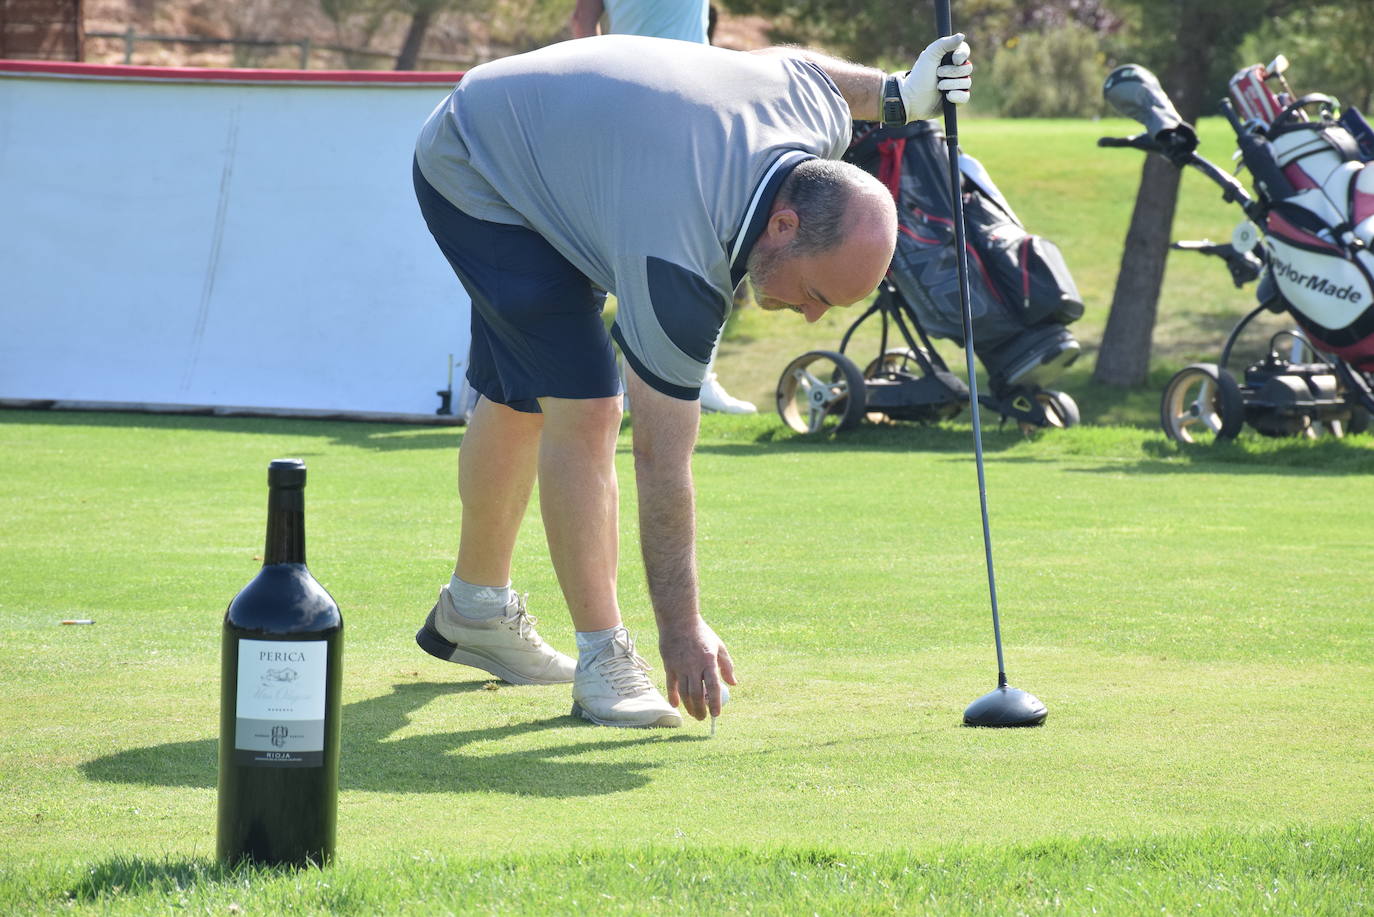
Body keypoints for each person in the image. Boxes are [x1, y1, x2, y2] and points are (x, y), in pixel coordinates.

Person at [412, 33, 972, 728]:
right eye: (816, 293)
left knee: (521, 390)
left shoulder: (814, 123)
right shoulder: (679, 257)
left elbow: (803, 70)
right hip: (476, 163)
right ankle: (605, 660)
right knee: (587, 406)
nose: (809, 315)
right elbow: (660, 460)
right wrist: (682, 628)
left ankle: (475, 608)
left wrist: (896, 96)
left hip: (553, 140)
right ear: (784, 224)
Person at [568, 0, 757, 414]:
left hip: (689, 101)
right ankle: (630, 381)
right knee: (638, 247)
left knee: (708, 240)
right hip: (643, 103)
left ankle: (691, 378)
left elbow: (582, 22)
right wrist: (599, 85)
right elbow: (583, 21)